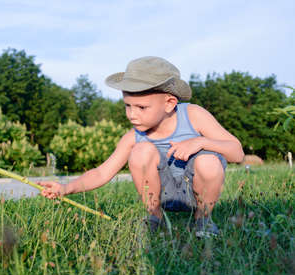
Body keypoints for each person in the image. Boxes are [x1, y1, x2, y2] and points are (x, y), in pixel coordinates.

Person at [38, 56, 244, 237]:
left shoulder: (193, 115)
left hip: (197, 192)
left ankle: (203, 220)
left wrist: (200, 141)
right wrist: (66, 188)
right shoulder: (134, 137)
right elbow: (101, 173)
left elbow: (237, 152)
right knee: (140, 152)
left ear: (170, 103)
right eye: (127, 105)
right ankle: (155, 219)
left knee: (208, 160)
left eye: (141, 107)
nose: (131, 114)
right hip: (161, 196)